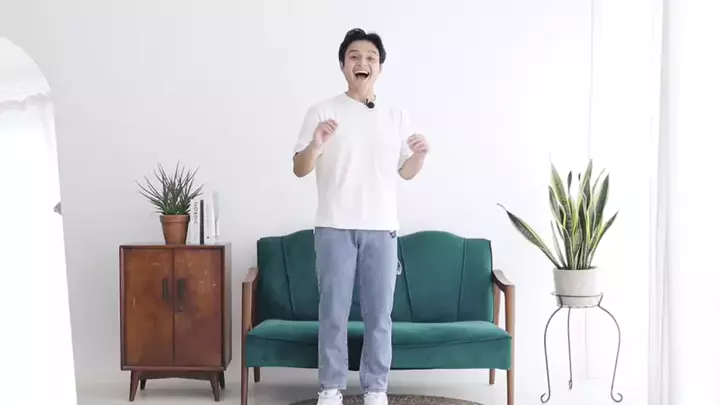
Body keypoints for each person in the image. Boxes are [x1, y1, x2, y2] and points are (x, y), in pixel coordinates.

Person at [292, 28, 430, 405]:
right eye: (354, 56)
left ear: (379, 68)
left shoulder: (395, 115)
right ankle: (331, 388)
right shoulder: (323, 111)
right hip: (333, 226)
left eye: (370, 57)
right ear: (343, 65)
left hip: (382, 229)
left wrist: (419, 157)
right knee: (333, 312)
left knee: (379, 315)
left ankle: (375, 388)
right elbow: (300, 168)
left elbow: (405, 172)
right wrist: (316, 144)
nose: (362, 63)